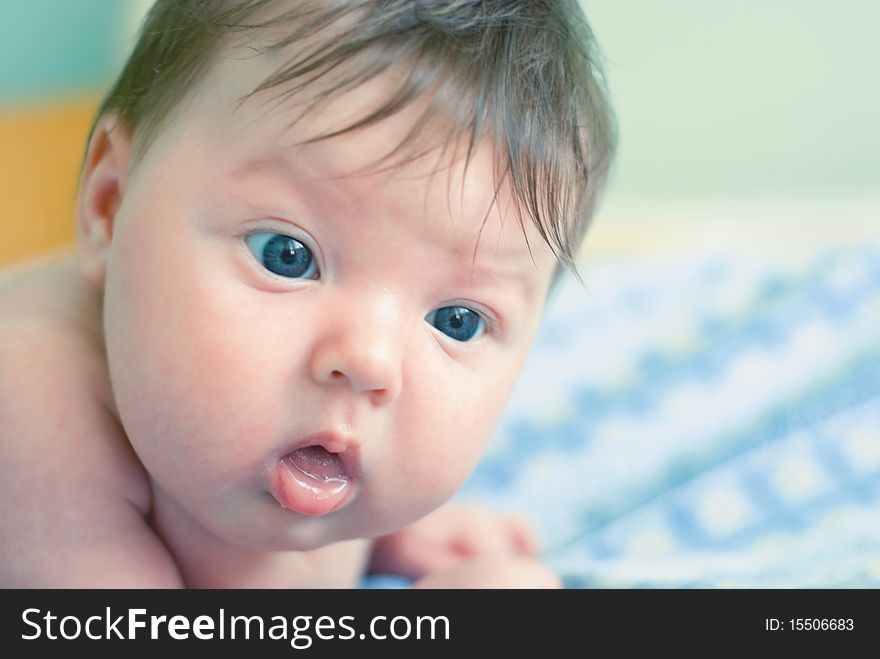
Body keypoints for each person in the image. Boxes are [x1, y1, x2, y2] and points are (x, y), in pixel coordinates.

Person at [0, 0, 614, 588]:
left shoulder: (270, 425)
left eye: (457, 321)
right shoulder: (31, 417)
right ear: (111, 204)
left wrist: (390, 536)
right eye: (286, 257)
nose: (370, 361)